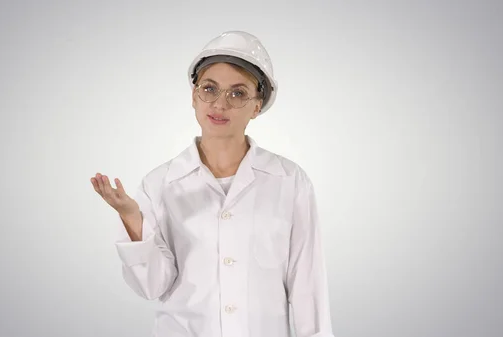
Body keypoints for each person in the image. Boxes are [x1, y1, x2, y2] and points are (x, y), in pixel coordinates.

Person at [91, 30, 335, 337]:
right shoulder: (159, 184)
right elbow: (152, 286)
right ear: (194, 97)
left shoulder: (289, 181)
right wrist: (131, 218)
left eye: (237, 93)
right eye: (209, 89)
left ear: (257, 106)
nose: (220, 104)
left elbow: (307, 284)